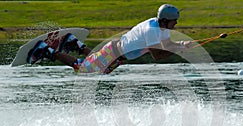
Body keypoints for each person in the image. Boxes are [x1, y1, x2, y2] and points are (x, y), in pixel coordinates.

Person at [27, 4, 191, 74]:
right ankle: (46, 51)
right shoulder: (152, 31)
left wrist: (181, 44)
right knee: (82, 68)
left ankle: (73, 43)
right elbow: (158, 55)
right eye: (174, 21)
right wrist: (181, 49)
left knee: (100, 68)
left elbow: (167, 45)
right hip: (113, 53)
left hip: (116, 54)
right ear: (165, 20)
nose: (176, 23)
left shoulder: (162, 27)